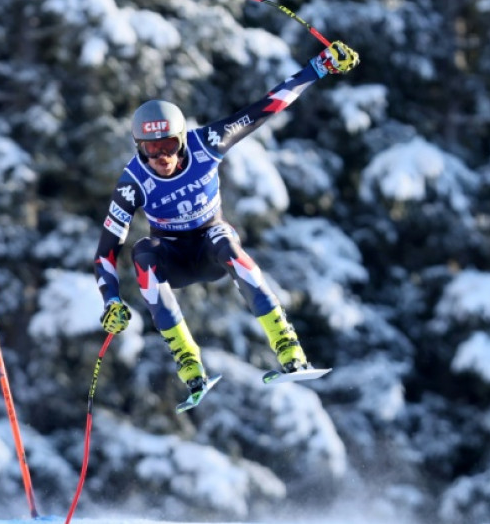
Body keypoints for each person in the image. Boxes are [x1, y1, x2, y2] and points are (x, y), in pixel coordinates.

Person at [93, 41, 360, 396]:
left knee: (225, 240)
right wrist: (111, 299)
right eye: (151, 149)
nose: (161, 158)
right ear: (139, 147)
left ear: (182, 138)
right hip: (173, 258)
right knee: (142, 253)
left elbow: (268, 105)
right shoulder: (133, 182)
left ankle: (290, 350)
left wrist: (320, 66)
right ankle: (190, 367)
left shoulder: (208, 143)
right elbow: (105, 251)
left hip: (212, 247)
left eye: (169, 146)